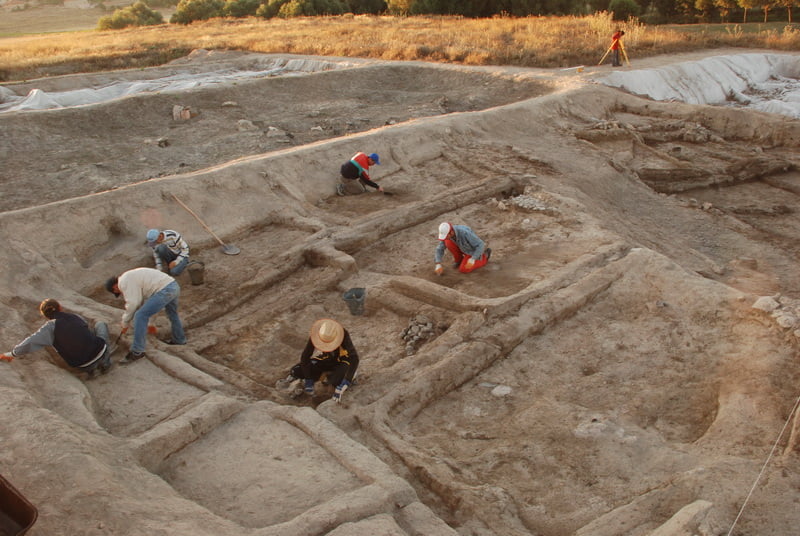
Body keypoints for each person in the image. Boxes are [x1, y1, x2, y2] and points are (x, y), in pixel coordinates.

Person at [0, 298, 112, 377]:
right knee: (100, 325)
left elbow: (30, 342)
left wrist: (11, 354)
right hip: (99, 352)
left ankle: (91, 371)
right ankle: (105, 362)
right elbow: (86, 329)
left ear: (45, 315)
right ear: (60, 307)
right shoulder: (74, 316)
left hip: (81, 365)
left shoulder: (49, 328)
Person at [105, 267, 186, 363]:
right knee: (172, 314)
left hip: (165, 290)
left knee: (139, 316)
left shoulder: (124, 282)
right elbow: (148, 303)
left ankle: (137, 351)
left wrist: (125, 323)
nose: (122, 293)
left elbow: (133, 303)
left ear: (115, 288)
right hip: (173, 285)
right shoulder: (132, 277)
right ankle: (179, 339)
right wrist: (151, 324)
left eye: (119, 293)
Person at [286, 318, 359, 403]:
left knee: (336, 382)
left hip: (342, 361)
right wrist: (308, 379)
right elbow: (305, 356)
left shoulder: (343, 334)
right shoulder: (317, 333)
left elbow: (354, 358)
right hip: (326, 359)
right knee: (296, 370)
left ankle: (348, 377)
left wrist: (346, 381)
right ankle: (323, 378)